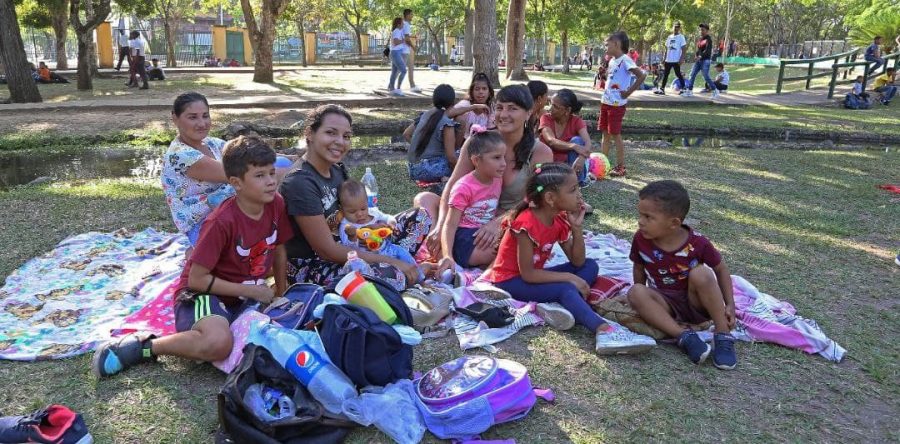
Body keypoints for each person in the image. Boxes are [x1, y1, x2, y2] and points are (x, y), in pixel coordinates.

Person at [92, 135, 293, 378]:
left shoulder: (276, 203)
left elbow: (280, 249)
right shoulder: (221, 222)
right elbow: (197, 280)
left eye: (272, 173)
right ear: (236, 183)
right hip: (203, 294)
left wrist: (281, 294)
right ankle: (143, 346)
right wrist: (253, 291)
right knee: (218, 344)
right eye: (260, 176)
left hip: (243, 296)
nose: (271, 182)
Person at [480, 162, 657, 353]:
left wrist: (577, 228)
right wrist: (570, 278)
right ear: (550, 198)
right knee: (566, 287)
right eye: (573, 190)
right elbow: (529, 275)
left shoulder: (559, 219)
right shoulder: (526, 224)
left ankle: (563, 303)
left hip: (532, 276)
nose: (579, 195)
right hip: (509, 281)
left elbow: (578, 262)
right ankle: (604, 331)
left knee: (590, 266)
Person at [279, 105, 423, 288]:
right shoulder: (300, 182)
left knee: (420, 217)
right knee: (392, 275)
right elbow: (327, 251)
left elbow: (355, 213)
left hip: (353, 245)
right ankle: (400, 265)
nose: (340, 141)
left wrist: (374, 226)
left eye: (346, 136)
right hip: (314, 267)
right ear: (310, 133)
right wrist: (393, 262)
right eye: (331, 133)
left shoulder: (337, 170)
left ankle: (396, 260)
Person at [428, 84, 554, 274]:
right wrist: (440, 227)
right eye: (500, 107)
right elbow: (453, 184)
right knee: (426, 200)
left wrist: (499, 222)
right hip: (469, 218)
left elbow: (537, 195)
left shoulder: (540, 152)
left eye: (513, 108)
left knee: (519, 241)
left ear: (528, 113)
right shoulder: (479, 142)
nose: (503, 114)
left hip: (511, 222)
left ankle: (476, 267)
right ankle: (449, 250)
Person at [626, 180, 737, 369]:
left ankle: (723, 334)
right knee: (635, 291)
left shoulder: (698, 243)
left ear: (674, 223)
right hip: (666, 302)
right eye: (640, 215)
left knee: (702, 273)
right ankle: (683, 337)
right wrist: (644, 302)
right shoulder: (641, 239)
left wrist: (730, 304)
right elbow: (639, 268)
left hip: (696, 303)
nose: (640, 221)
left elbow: (721, 269)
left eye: (648, 217)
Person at [161, 93, 235, 246]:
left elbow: (253, 157)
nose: (202, 123)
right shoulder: (180, 155)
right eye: (193, 117)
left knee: (277, 165)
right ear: (175, 118)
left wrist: (292, 158)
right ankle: (196, 254)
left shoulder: (211, 143)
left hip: (227, 213)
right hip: (203, 224)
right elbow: (243, 175)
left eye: (205, 116)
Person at [441, 127, 506, 269]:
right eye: (496, 158)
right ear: (476, 160)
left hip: (483, 233)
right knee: (508, 250)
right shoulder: (463, 187)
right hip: (465, 239)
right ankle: (477, 277)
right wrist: (447, 255)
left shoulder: (497, 179)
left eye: (503, 157)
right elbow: (450, 225)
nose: (503, 163)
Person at [337, 180, 418, 271]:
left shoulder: (373, 212)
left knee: (403, 253)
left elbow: (387, 217)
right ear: (342, 209)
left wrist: (391, 223)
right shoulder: (346, 226)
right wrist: (352, 237)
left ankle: (419, 275)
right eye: (352, 211)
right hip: (370, 259)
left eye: (363, 209)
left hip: (387, 248)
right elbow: (350, 249)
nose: (359, 214)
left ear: (367, 203)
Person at [598, 31, 645, 178]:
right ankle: (603, 165)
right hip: (606, 102)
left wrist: (628, 92)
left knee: (615, 134)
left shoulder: (625, 60)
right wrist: (603, 76)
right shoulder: (612, 61)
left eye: (607, 44)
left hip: (617, 105)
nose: (605, 47)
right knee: (605, 133)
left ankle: (620, 167)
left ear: (616, 44)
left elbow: (641, 75)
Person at [406, 84, 458, 187]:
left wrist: (420, 146)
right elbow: (451, 158)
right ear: (452, 102)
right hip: (430, 170)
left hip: (412, 169)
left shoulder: (424, 115)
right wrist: (461, 171)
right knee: (462, 155)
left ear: (434, 99)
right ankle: (446, 178)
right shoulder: (446, 123)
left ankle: (441, 178)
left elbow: (406, 134)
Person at [539, 89, 592, 187]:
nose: (550, 108)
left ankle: (575, 181)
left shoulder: (576, 121)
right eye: (551, 104)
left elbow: (588, 143)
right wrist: (574, 146)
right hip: (549, 166)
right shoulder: (545, 118)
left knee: (578, 140)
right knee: (576, 143)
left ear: (567, 110)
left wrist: (581, 158)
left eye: (555, 106)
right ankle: (569, 182)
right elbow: (551, 141)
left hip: (568, 167)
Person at [449, 72, 495, 145]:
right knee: (460, 118)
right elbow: (448, 114)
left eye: (484, 89)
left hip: (482, 145)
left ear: (489, 92)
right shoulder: (465, 104)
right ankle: (457, 151)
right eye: (477, 89)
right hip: (462, 143)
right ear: (472, 92)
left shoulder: (490, 107)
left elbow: (491, 130)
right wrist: (474, 106)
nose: (481, 92)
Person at [683, 24, 717, 98]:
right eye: (700, 30)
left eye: (703, 30)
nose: (701, 31)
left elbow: (707, 50)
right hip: (699, 60)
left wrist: (700, 56)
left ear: (707, 31)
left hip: (705, 60)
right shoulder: (700, 39)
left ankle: (715, 90)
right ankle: (689, 91)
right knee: (692, 74)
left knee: (705, 76)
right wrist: (696, 55)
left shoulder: (708, 39)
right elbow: (699, 50)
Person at [656, 22, 686, 96]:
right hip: (668, 60)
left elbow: (684, 49)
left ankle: (684, 89)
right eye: (675, 27)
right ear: (673, 27)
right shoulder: (669, 37)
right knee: (665, 74)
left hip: (676, 60)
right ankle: (662, 89)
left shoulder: (681, 37)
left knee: (678, 74)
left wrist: (681, 59)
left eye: (678, 27)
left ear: (679, 28)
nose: (676, 28)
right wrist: (664, 58)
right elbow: (666, 49)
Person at [402, 8, 422, 93]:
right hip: (407, 48)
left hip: (404, 48)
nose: (412, 16)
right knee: (410, 67)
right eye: (411, 14)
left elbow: (407, 36)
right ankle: (412, 85)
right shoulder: (406, 24)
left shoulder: (404, 24)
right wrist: (413, 46)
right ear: (407, 15)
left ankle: (391, 85)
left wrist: (414, 37)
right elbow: (406, 38)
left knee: (399, 68)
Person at [387, 17, 407, 96]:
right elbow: (395, 42)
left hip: (395, 52)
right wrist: (403, 40)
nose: (403, 24)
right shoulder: (397, 31)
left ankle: (392, 88)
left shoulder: (398, 31)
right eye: (402, 23)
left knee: (394, 72)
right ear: (398, 24)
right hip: (395, 53)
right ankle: (398, 89)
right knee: (404, 71)